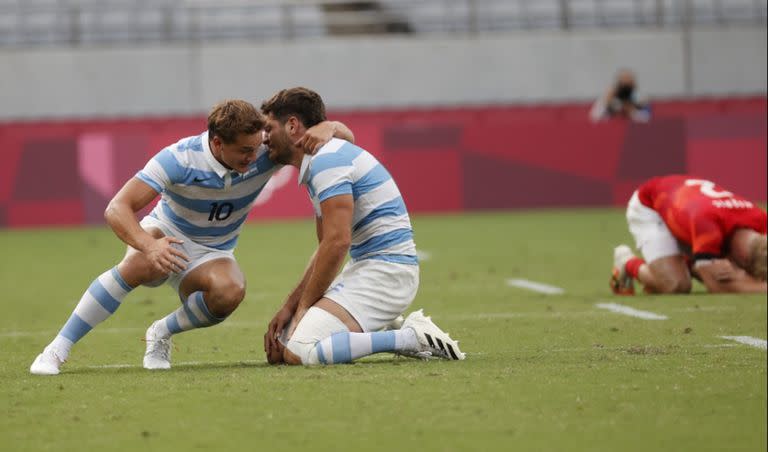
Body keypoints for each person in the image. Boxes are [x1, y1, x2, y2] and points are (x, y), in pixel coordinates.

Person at [30, 99, 355, 375]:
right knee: (142, 265)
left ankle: (161, 332)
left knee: (231, 292)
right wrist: (148, 244)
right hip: (167, 235)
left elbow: (339, 138)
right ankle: (57, 348)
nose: (253, 157)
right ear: (217, 144)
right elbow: (117, 208)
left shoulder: (264, 154)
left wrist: (333, 127)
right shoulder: (178, 159)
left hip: (213, 251)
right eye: (244, 151)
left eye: (256, 148)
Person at [260, 87, 464, 365]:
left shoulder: (327, 162)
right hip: (368, 270)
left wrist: (303, 309)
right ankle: (387, 323)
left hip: (386, 275)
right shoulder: (320, 161)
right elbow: (325, 248)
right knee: (282, 346)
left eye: (269, 128)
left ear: (292, 125)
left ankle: (410, 337)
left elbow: (337, 242)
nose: (264, 138)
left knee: (301, 350)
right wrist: (290, 307)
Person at [611, 175, 767, 295]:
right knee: (675, 285)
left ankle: (685, 262)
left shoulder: (761, 220)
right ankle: (627, 262)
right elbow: (716, 285)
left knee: (714, 268)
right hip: (650, 205)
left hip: (685, 206)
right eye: (745, 267)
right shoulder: (708, 228)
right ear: (743, 258)